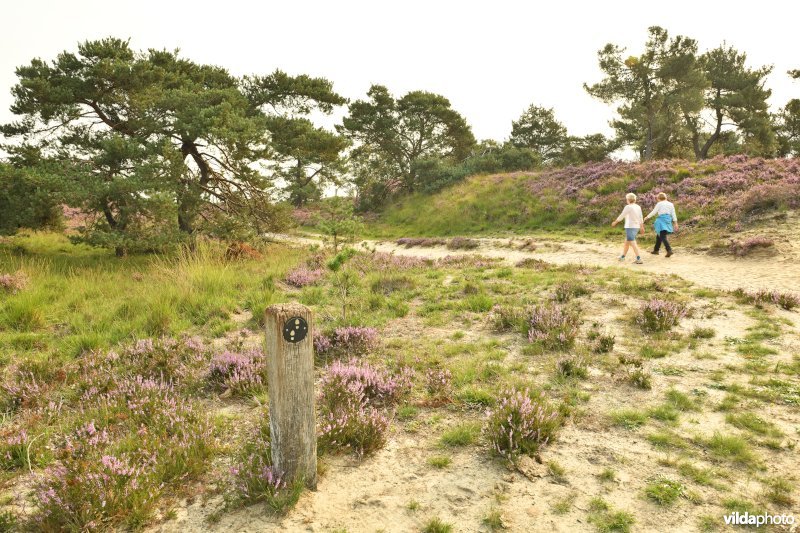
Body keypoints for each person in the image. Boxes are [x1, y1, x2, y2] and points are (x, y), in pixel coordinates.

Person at [611, 192, 645, 264]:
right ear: (635, 200)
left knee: (632, 242)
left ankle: (639, 258)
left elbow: (622, 215)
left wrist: (615, 222)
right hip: (636, 226)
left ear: (628, 200)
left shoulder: (628, 207)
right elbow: (640, 217)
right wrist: (642, 227)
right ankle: (622, 257)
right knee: (627, 242)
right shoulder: (638, 207)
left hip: (630, 226)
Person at [644, 192, 679, 258]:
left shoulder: (659, 204)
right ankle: (656, 250)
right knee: (659, 235)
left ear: (658, 198)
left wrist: (647, 217)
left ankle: (669, 250)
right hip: (668, 220)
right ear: (665, 197)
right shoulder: (671, 204)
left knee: (663, 236)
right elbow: (673, 214)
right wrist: (675, 223)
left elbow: (654, 212)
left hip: (661, 220)